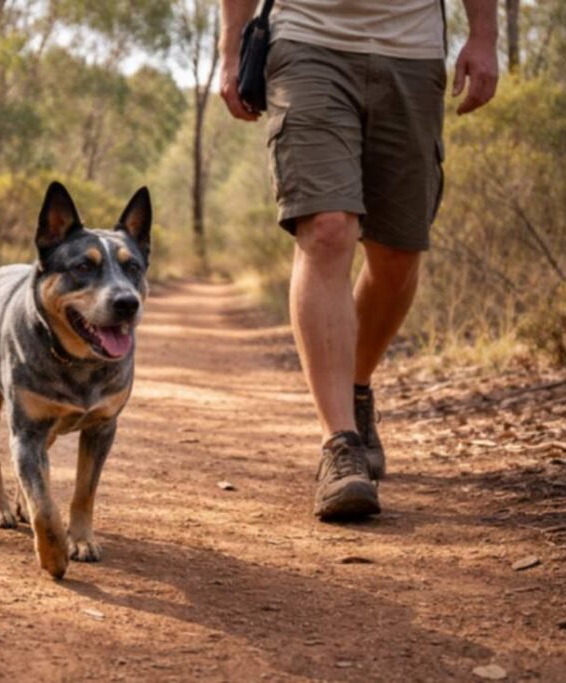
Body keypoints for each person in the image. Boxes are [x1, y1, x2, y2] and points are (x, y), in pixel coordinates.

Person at [219, 0, 499, 519]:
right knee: (326, 230)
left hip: (412, 51)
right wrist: (231, 47)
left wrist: (484, 36)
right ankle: (339, 444)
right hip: (306, 40)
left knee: (398, 253)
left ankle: (356, 386)